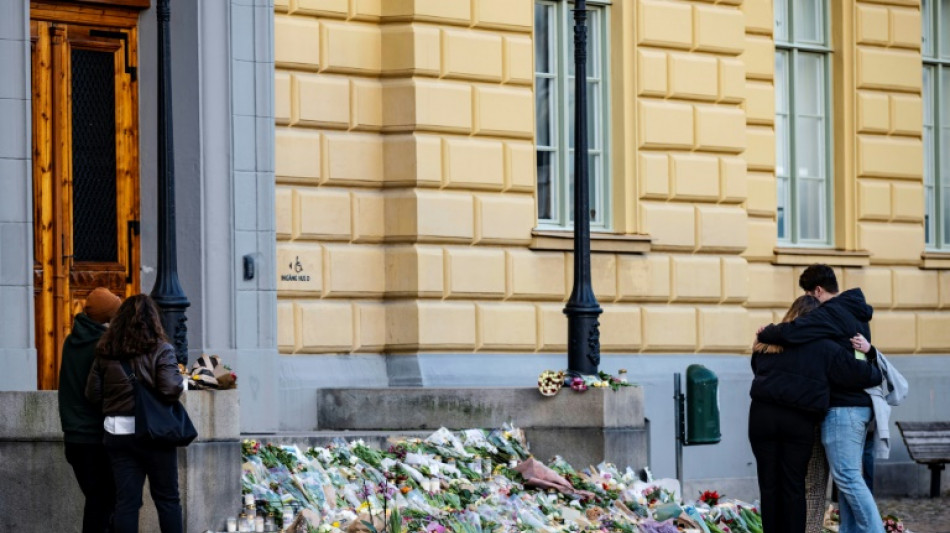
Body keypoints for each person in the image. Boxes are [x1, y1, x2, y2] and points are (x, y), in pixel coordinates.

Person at [757, 265, 884, 533]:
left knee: (841, 479)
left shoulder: (830, 314)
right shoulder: (857, 313)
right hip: (854, 406)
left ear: (817, 290)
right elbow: (861, 365)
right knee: (847, 480)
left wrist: (766, 333)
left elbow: (794, 332)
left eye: (808, 292)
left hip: (838, 409)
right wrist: (871, 359)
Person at [86, 294, 185, 533]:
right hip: (155, 433)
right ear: (154, 320)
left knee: (126, 503)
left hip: (117, 433)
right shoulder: (162, 349)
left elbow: (92, 393)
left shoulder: (106, 350)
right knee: (168, 499)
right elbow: (171, 388)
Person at [59, 287, 122, 533]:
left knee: (97, 502)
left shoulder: (70, 341)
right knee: (104, 504)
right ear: (108, 317)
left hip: (74, 438)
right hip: (95, 437)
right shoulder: (102, 345)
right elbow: (100, 392)